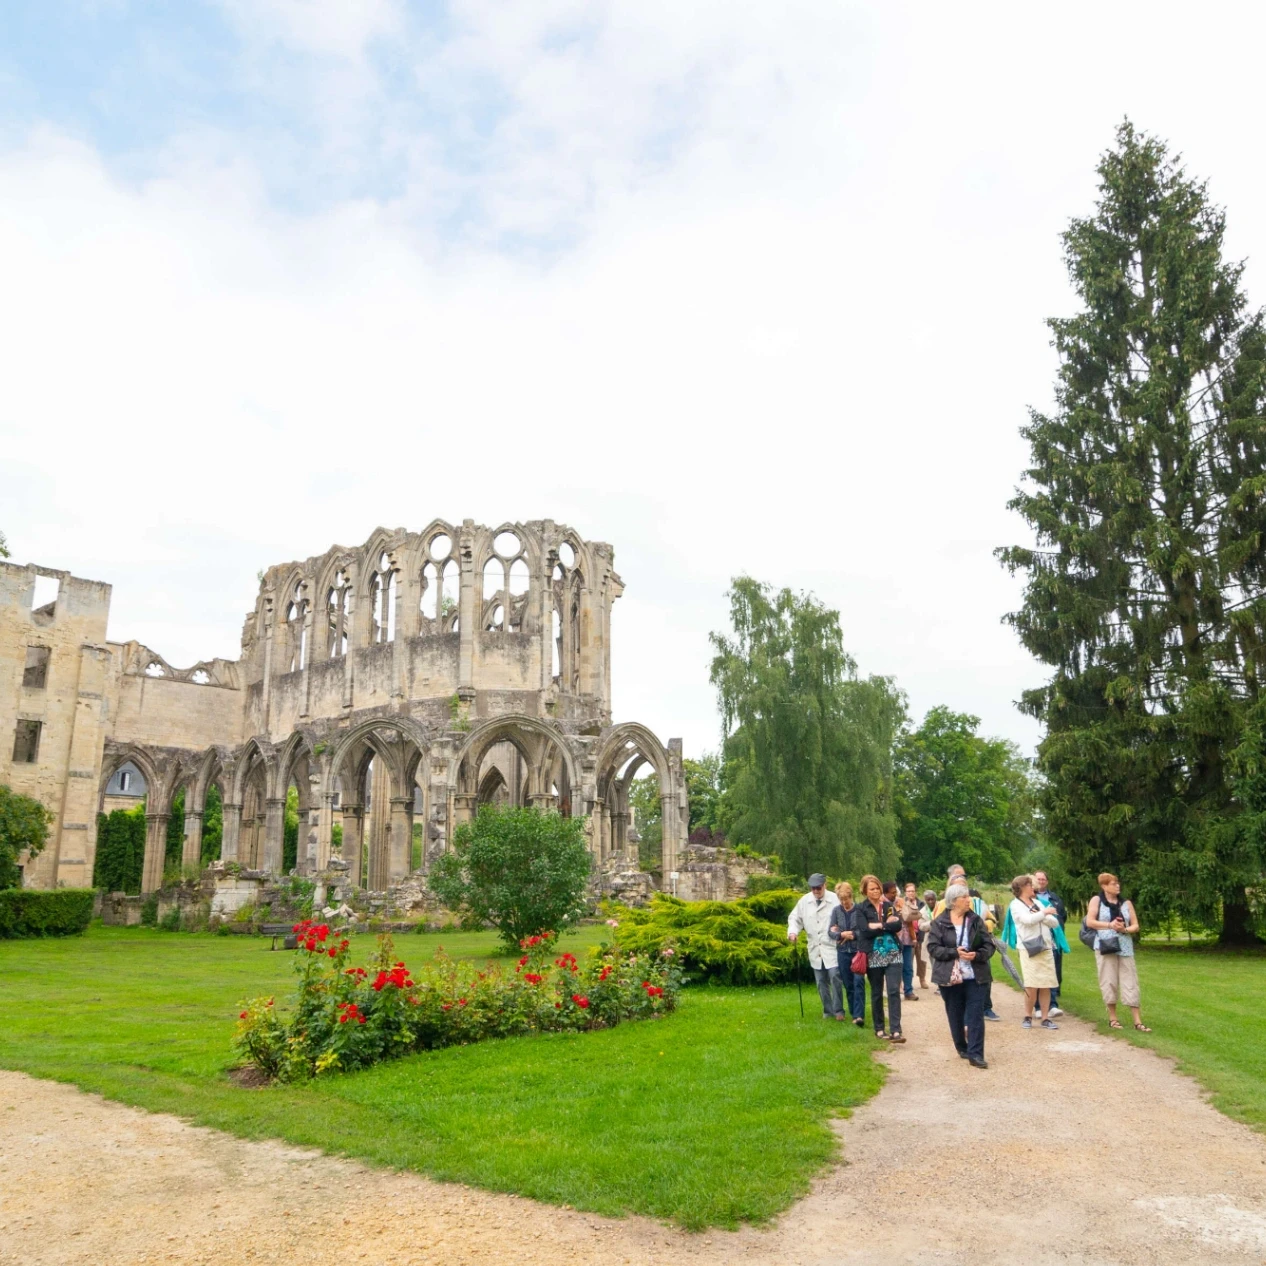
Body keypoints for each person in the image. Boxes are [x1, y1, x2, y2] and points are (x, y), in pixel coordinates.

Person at [926, 882, 995, 1068]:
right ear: (953, 901)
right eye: (964, 897)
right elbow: (933, 948)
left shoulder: (975, 920)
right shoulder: (939, 922)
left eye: (968, 896)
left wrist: (977, 955)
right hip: (950, 976)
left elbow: (989, 945)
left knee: (976, 1015)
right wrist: (954, 952)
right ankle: (962, 1047)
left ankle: (976, 1054)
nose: (968, 900)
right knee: (955, 1014)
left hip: (975, 975)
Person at [1087, 873, 1151, 1032]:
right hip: (1106, 945)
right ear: (1104, 886)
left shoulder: (1126, 903)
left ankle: (1137, 1021)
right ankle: (1113, 1019)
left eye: (1117, 883)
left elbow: (1135, 925)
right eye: (1113, 883)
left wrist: (1125, 929)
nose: (1117, 886)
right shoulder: (1097, 900)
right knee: (1108, 980)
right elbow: (1090, 922)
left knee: (1131, 981)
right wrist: (1110, 925)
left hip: (1125, 946)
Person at [787, 873, 844, 1021]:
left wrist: (841, 931)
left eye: (818, 887)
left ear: (825, 885)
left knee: (835, 977)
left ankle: (839, 1010)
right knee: (820, 982)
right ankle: (828, 1011)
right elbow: (794, 918)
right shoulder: (804, 901)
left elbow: (844, 917)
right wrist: (793, 932)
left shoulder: (835, 899)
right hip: (815, 948)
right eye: (813, 888)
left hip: (832, 947)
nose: (816, 891)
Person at [857, 875, 905, 1043]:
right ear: (865, 891)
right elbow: (864, 930)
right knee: (877, 992)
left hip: (893, 952)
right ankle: (879, 1028)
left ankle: (896, 1030)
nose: (876, 891)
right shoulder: (861, 908)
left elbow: (897, 925)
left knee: (893, 990)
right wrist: (886, 925)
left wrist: (878, 925)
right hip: (873, 954)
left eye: (877, 888)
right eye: (872, 889)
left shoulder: (888, 906)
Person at [1008, 875, 1060, 1029]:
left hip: (1045, 946)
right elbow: (1027, 920)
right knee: (1031, 984)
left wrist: (1042, 915)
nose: (1033, 888)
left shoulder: (1037, 903)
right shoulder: (1015, 905)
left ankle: (1045, 1018)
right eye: (1030, 885)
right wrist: (1044, 913)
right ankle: (1028, 1016)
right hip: (1028, 948)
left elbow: (1054, 922)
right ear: (1022, 887)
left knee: (1046, 983)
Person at [830, 881, 867, 1026]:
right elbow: (831, 931)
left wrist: (853, 934)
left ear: (851, 896)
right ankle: (853, 1013)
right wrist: (841, 934)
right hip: (843, 952)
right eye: (841, 899)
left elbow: (864, 930)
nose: (844, 902)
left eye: (846, 899)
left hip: (858, 952)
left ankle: (859, 1016)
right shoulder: (836, 911)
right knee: (848, 984)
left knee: (859, 982)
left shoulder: (859, 910)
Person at [1033, 870, 1068, 1017]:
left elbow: (1062, 916)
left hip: (1053, 938)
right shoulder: (1029, 899)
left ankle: (1052, 1004)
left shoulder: (1054, 898)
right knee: (1037, 972)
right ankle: (1038, 1007)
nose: (1040, 882)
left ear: (1047, 881)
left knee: (1052, 970)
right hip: (1035, 938)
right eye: (1038, 879)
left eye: (1043, 879)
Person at [898, 882, 925, 1000]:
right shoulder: (895, 905)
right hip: (897, 939)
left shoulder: (919, 904)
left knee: (909, 966)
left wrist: (914, 938)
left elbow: (911, 923)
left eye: (912, 891)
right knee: (898, 965)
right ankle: (898, 988)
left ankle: (908, 990)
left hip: (909, 938)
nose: (910, 893)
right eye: (908, 891)